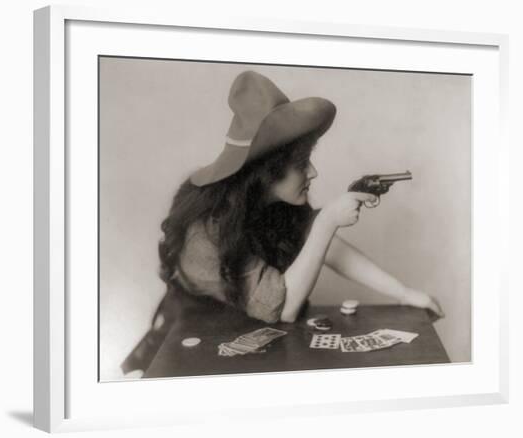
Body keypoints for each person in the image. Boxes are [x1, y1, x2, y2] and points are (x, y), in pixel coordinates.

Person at [120, 70, 443, 376]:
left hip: (258, 337)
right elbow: (283, 309)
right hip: (194, 345)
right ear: (266, 173)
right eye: (302, 164)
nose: (313, 173)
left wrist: (404, 293)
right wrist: (328, 220)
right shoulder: (204, 231)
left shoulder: (271, 204)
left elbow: (331, 250)